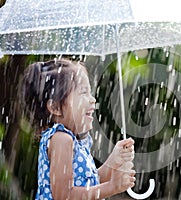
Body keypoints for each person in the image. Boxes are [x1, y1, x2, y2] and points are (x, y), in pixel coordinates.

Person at [21, 58, 135, 199]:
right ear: (55, 107)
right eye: (83, 93)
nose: (92, 99)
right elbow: (64, 195)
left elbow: (90, 183)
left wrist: (113, 162)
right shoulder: (61, 139)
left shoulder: (75, 142)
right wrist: (111, 187)